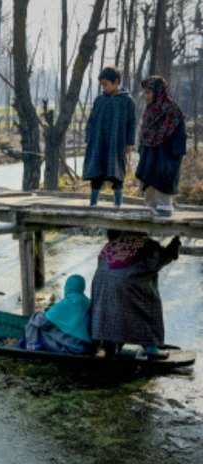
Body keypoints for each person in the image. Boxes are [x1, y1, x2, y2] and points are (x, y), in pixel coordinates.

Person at [90, 230, 181, 360]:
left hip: (101, 286)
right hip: (127, 286)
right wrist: (174, 245)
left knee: (111, 311)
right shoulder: (147, 245)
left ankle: (110, 346)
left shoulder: (112, 244)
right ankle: (151, 348)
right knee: (147, 307)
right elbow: (160, 260)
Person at [83, 66, 137, 208]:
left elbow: (132, 123)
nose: (104, 87)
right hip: (98, 142)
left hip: (117, 142)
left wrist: (130, 143)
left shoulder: (127, 101)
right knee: (96, 172)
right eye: (102, 85)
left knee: (117, 173)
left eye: (106, 84)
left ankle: (118, 204)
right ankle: (93, 203)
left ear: (116, 82)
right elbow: (91, 119)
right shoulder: (99, 100)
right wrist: (88, 137)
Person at [136, 76, 187, 217]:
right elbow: (144, 132)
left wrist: (170, 154)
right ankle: (150, 207)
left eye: (148, 92)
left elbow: (179, 137)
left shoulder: (172, 110)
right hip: (150, 153)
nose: (146, 96)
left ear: (158, 91)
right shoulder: (150, 109)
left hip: (166, 155)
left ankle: (164, 208)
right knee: (149, 179)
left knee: (161, 178)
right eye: (145, 92)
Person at [19, 274, 95, 355]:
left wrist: (40, 314)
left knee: (35, 321)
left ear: (68, 287)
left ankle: (31, 346)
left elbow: (43, 322)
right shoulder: (88, 303)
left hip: (69, 348)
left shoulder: (68, 302)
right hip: (84, 347)